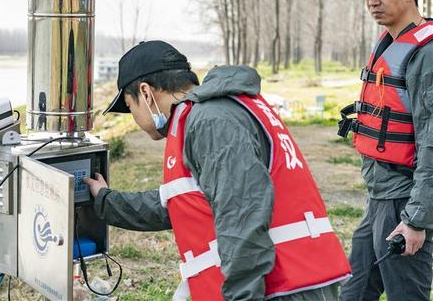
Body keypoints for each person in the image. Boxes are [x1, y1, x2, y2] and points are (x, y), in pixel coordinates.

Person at [84, 40, 351, 300]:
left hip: (281, 286)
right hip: (288, 278)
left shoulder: (209, 122)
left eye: (130, 108)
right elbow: (182, 203)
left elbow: (242, 215)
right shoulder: (214, 112)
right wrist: (107, 201)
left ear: (146, 93)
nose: (136, 119)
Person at [338, 0, 433, 301]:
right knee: (354, 292)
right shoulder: (389, 44)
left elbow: (431, 141)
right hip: (379, 197)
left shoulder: (426, 53)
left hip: (405, 201)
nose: (372, 2)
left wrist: (415, 219)